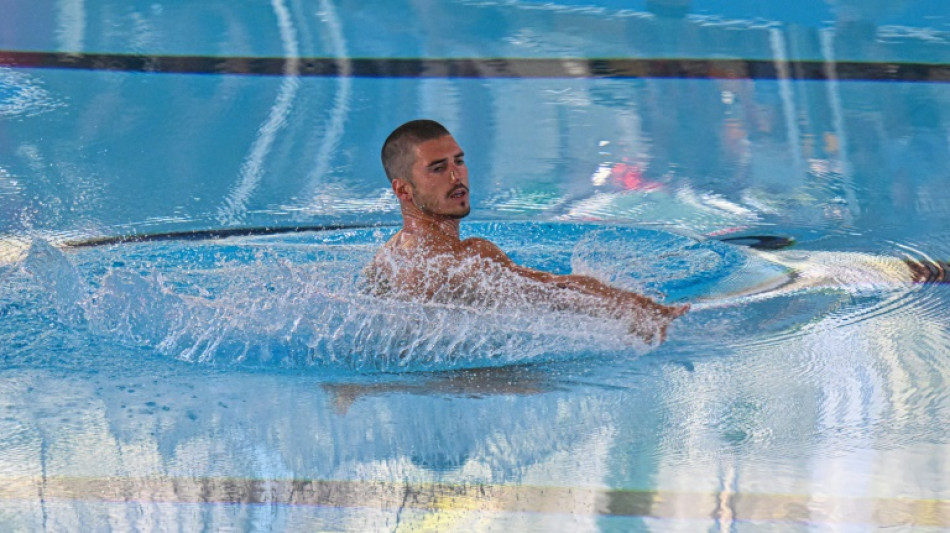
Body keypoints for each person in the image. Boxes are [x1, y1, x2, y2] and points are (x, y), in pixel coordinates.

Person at [363, 119, 689, 344]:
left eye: (458, 162)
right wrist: (642, 312)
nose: (456, 177)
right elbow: (557, 290)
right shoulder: (468, 255)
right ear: (403, 190)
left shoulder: (388, 257)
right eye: (438, 168)